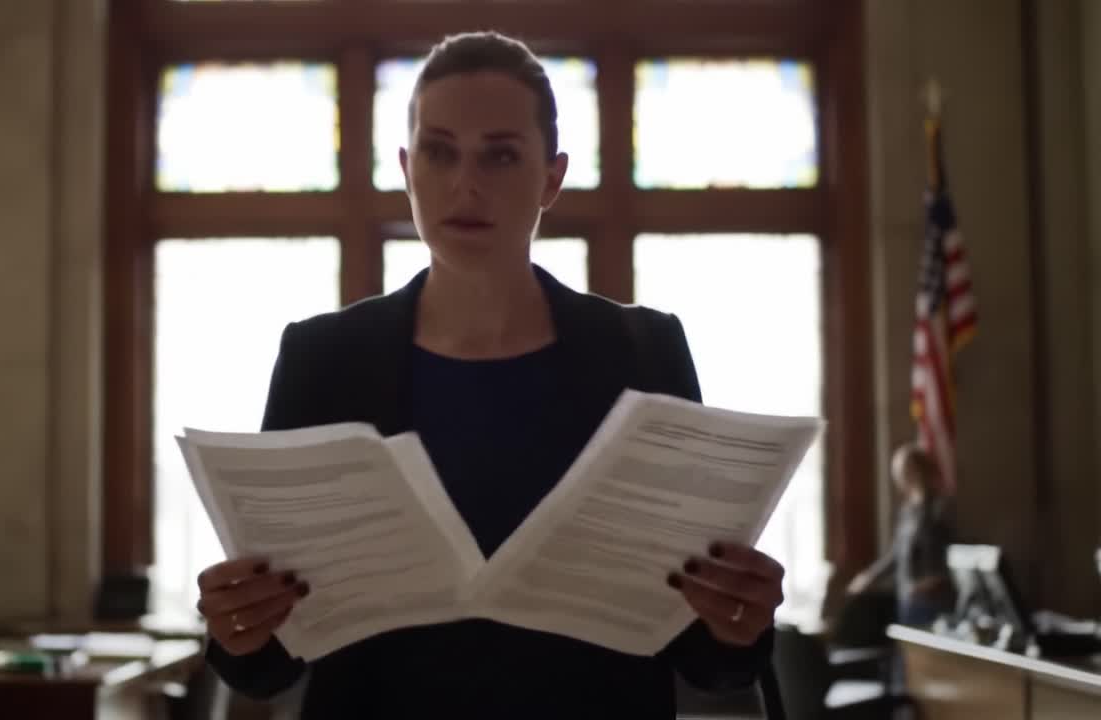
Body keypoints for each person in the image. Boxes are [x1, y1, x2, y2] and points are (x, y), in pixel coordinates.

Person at [195, 31, 785, 719]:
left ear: (552, 177)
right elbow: (267, 666)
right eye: (440, 153)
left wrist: (737, 623)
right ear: (407, 168)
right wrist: (238, 624)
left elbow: (703, 655)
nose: (465, 184)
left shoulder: (645, 351)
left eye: (500, 155)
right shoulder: (321, 360)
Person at [848, 443, 955, 627]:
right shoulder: (907, 511)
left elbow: (949, 556)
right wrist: (869, 576)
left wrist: (933, 581)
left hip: (933, 600)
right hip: (908, 597)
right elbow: (897, 553)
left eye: (904, 470)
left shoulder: (939, 509)